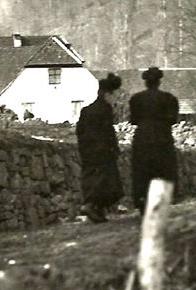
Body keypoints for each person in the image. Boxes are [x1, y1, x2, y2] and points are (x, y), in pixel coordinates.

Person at [128, 67, 179, 214]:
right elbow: (173, 120)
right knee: (163, 170)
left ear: (146, 82)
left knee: (142, 171)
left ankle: (143, 200)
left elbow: (133, 120)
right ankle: (162, 200)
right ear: (159, 81)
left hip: (142, 138)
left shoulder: (136, 99)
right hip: (162, 138)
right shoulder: (169, 99)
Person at [75, 73, 124, 223]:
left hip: (87, 151)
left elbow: (80, 131)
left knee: (91, 179)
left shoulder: (86, 110)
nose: (116, 98)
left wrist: (84, 147)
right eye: (114, 94)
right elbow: (108, 131)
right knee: (106, 183)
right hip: (103, 151)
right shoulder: (105, 110)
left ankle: (96, 210)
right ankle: (91, 206)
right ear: (107, 94)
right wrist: (114, 148)